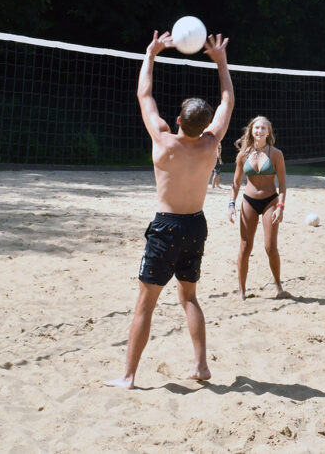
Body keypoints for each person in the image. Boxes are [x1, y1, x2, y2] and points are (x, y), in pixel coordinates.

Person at [105, 31, 233, 389]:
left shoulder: (163, 139)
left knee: (145, 303)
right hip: (196, 225)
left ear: (178, 120)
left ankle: (128, 375)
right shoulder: (212, 143)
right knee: (189, 297)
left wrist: (151, 53)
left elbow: (144, 94)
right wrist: (221, 63)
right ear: (205, 125)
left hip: (166, 228)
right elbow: (227, 102)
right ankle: (201, 365)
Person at [229, 116, 288, 299]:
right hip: (249, 201)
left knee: (270, 247)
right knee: (245, 246)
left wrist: (280, 207)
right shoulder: (243, 154)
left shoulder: (276, 154)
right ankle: (242, 290)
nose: (259, 131)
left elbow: (283, 185)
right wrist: (231, 204)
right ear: (251, 131)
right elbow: (236, 183)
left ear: (268, 132)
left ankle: (278, 286)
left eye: (263, 128)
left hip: (271, 200)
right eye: (256, 128)